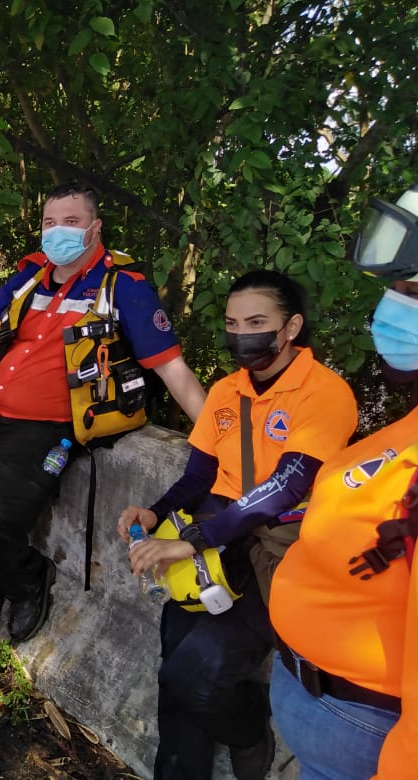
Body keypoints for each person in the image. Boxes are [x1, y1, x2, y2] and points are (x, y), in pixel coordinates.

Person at [0, 181, 208, 677]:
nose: (58, 232)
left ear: (95, 228)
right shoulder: (28, 278)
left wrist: (219, 441)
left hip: (49, 431)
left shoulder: (123, 287)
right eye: (50, 222)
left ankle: (29, 580)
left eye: (70, 222)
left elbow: (174, 372)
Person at [117, 269, 358, 780]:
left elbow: (289, 484)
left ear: (290, 327)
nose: (240, 334)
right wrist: (155, 513)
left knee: (196, 677)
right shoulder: (226, 391)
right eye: (231, 322)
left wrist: (193, 540)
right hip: (211, 540)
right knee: (174, 671)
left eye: (255, 321)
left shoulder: (324, 393)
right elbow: (199, 473)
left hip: (274, 552)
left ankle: (250, 733)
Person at [268, 184, 418, 780]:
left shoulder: (323, 394)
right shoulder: (406, 427)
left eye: (412, 291)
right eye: (393, 288)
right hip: (320, 710)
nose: (390, 310)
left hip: (367, 734)